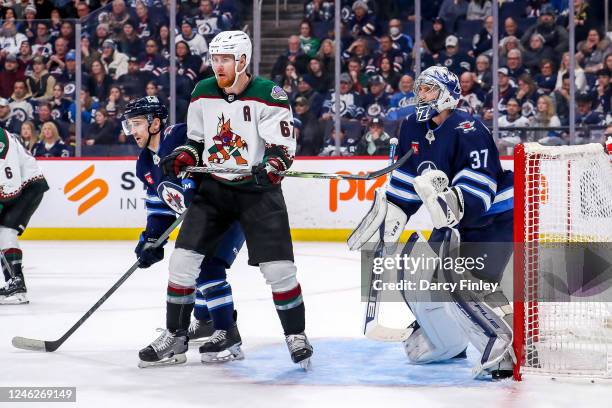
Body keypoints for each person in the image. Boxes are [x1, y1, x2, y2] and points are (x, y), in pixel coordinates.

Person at [154, 31, 313, 369]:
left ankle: (296, 334)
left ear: (242, 61)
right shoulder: (202, 92)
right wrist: (184, 155)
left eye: (225, 59)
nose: (218, 65)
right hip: (215, 188)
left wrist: (272, 166)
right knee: (182, 263)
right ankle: (176, 335)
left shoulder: (269, 95)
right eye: (214, 59)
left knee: (279, 270)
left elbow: (282, 149)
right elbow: (197, 141)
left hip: (258, 192)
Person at [349, 66, 515, 380]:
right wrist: (392, 215)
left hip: (493, 220)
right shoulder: (411, 126)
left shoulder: (469, 128)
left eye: (429, 90)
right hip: (451, 221)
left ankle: (500, 344)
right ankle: (446, 340)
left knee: (460, 281)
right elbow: (405, 185)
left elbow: (480, 190)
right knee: (415, 265)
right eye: (420, 90)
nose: (422, 96)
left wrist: (450, 204)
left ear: (448, 93)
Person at [120, 96, 245, 365]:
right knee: (191, 267)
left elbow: (216, 145)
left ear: (155, 123)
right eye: (130, 125)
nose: (133, 131)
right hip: (201, 219)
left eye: (138, 124)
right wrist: (152, 238)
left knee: (208, 268)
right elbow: (160, 205)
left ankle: (229, 333)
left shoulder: (179, 135)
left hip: (228, 210)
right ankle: (205, 321)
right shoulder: (144, 163)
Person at [0, 126, 49, 304]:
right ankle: (16, 284)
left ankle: (16, 283)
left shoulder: (0, 139)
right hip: (14, 189)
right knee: (4, 232)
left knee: (5, 231)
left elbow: (9, 183)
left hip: (27, 187)